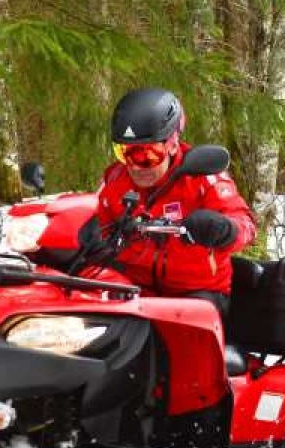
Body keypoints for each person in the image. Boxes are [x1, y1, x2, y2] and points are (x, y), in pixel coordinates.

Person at [93, 88, 256, 315]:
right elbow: (91, 222)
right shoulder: (115, 179)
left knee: (179, 326)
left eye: (148, 153)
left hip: (196, 293)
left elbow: (246, 226)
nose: (136, 166)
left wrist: (224, 229)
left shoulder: (203, 177)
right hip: (135, 290)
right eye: (125, 153)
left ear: (172, 144)